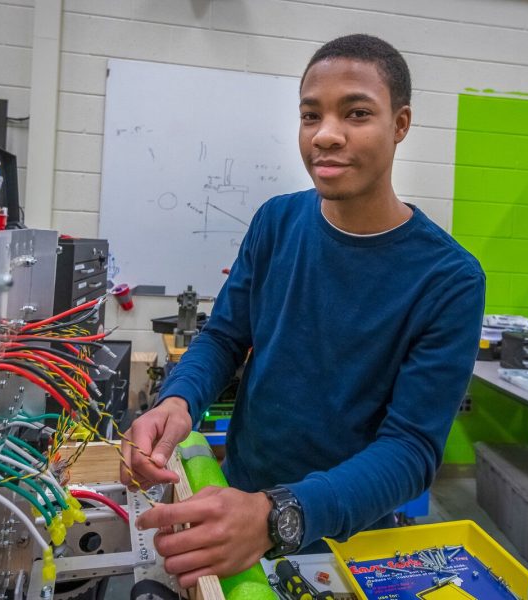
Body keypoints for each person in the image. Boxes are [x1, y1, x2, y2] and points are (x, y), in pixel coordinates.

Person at [122, 33, 485, 587]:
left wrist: (277, 515)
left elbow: (410, 450)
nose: (327, 135)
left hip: (347, 539)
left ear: (401, 124)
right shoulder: (276, 222)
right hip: (235, 502)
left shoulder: (450, 279)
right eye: (310, 115)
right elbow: (224, 337)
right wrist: (178, 398)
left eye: (357, 113)